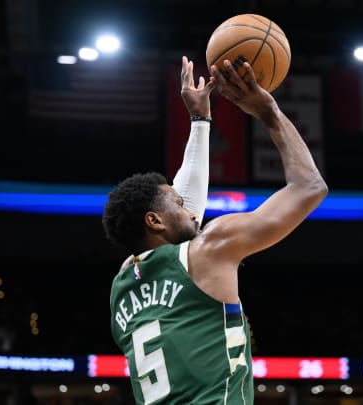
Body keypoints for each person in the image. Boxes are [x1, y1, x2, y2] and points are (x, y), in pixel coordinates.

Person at [102, 57, 328, 405]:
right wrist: (268, 111)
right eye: (179, 205)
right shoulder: (211, 249)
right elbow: (309, 187)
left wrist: (200, 121)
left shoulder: (122, 285)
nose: (193, 213)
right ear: (154, 222)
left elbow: (184, 207)